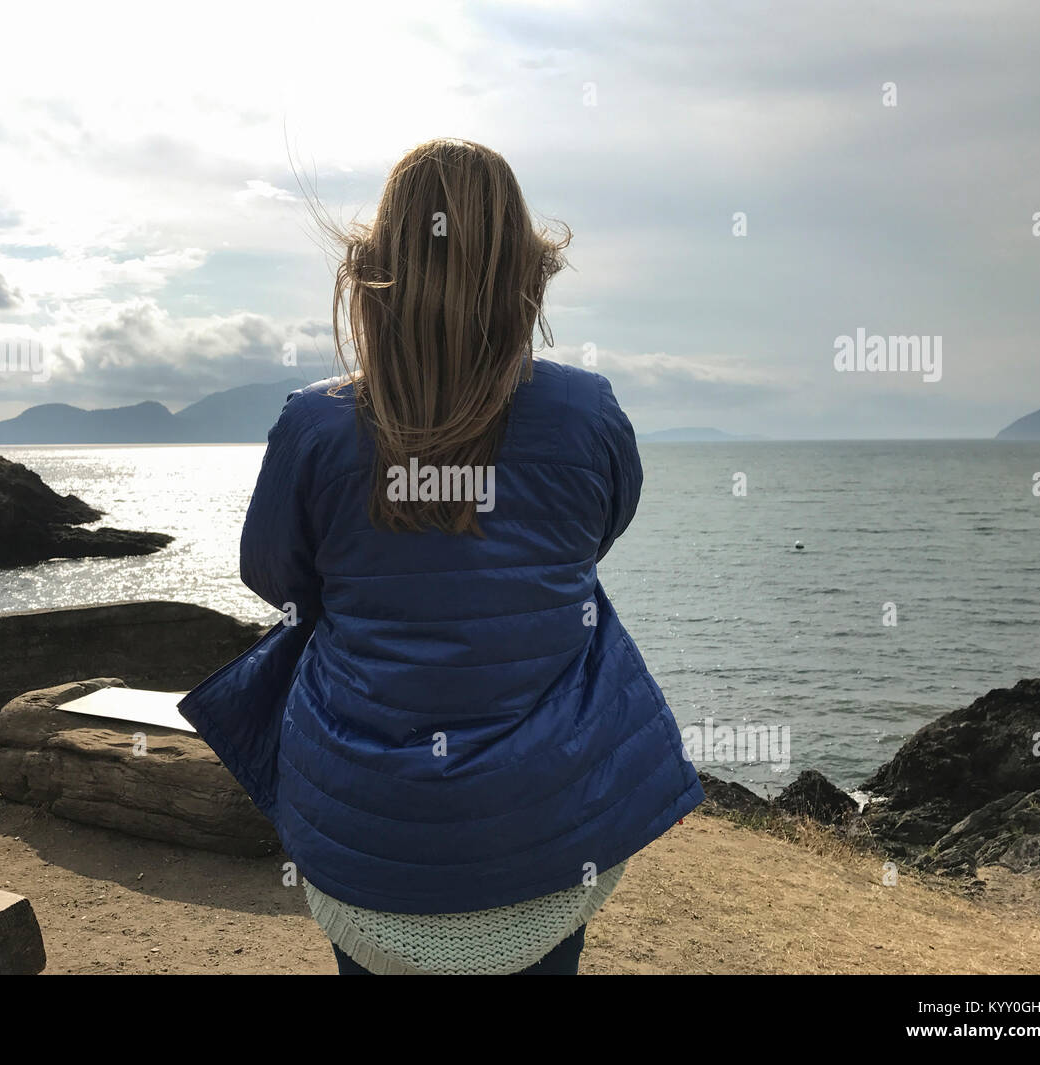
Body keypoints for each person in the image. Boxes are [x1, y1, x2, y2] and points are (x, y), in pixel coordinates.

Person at [237, 138, 703, 975]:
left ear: (374, 272)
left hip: (367, 837)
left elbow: (276, 579)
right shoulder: (588, 412)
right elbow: (596, 534)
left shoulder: (313, 426)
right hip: (544, 832)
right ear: (524, 275)